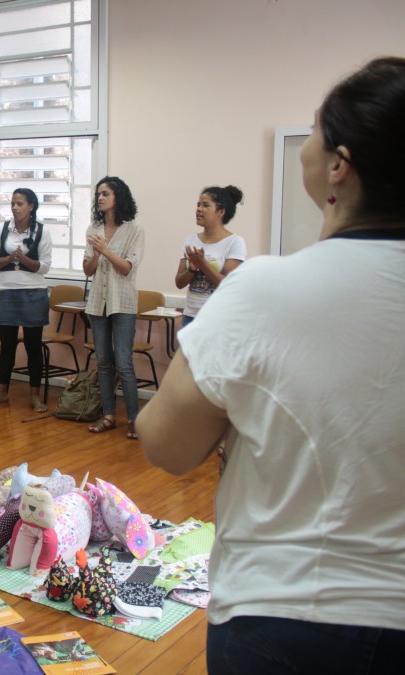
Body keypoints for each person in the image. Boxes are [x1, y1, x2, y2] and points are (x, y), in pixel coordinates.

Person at [139, 57, 405, 674]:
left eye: (313, 129)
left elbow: (166, 445)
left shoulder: (264, 287)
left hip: (289, 616)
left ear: (338, 164)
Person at [82, 176, 144, 440]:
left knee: (124, 363)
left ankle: (134, 420)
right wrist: (95, 254)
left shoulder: (134, 230)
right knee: (104, 362)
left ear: (119, 196)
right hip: (98, 302)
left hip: (123, 303)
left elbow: (127, 268)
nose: (100, 198)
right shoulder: (94, 228)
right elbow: (87, 270)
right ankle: (108, 415)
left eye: (105, 193)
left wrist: (104, 250)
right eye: (98, 194)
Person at [0, 187, 53, 412]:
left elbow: (45, 267)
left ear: (31, 207)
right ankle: (1, 391)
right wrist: (9, 258)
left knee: (33, 346)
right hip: (6, 292)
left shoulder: (42, 231)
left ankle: (35, 396)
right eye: (12, 203)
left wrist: (22, 259)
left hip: (34, 292)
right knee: (7, 345)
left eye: (20, 204)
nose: (14, 207)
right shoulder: (1, 229)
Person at [174, 186, 247, 327]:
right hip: (191, 316)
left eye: (205, 205)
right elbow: (179, 282)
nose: (199, 209)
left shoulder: (235, 242)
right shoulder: (190, 240)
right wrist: (192, 269)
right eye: (198, 205)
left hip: (219, 317)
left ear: (220, 212)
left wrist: (202, 264)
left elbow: (227, 284)